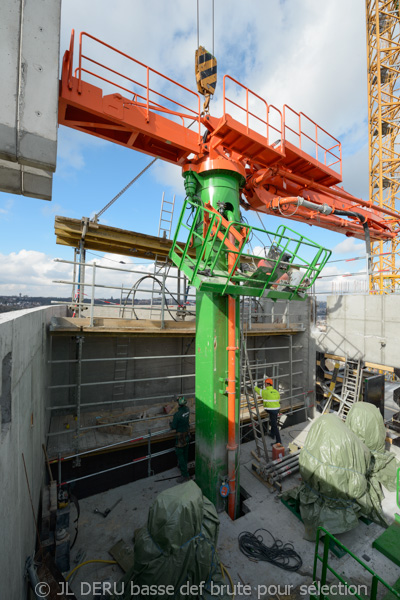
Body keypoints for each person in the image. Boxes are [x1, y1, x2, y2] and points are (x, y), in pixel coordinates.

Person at [254, 378, 282, 444]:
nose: (265, 385)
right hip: (277, 409)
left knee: (274, 425)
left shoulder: (265, 392)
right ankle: (272, 434)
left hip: (271, 410)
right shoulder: (276, 391)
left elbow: (257, 390)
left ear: (267, 384)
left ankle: (279, 441)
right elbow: (278, 399)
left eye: (265, 384)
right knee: (273, 421)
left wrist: (254, 385)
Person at [170, 396, 190, 483]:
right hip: (187, 436)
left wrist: (170, 423)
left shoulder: (177, 415)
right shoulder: (188, 410)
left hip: (180, 438)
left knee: (180, 454)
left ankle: (184, 475)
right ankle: (184, 467)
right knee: (185, 453)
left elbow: (173, 426)